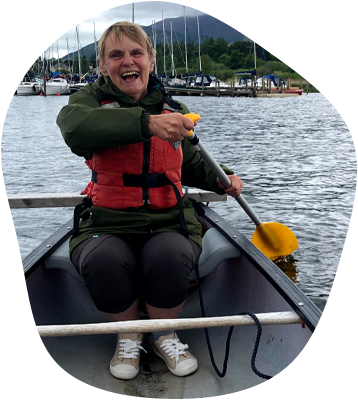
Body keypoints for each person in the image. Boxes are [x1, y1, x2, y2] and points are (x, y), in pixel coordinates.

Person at [57, 21, 243, 381]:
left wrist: (224, 179)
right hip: (106, 220)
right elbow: (75, 128)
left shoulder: (175, 108)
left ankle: (163, 333)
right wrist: (149, 124)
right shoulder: (87, 102)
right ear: (102, 66)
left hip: (168, 219)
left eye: (136, 53)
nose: (128, 61)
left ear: (151, 61)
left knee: (169, 255)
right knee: (104, 260)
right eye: (116, 55)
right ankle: (128, 335)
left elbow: (189, 163)